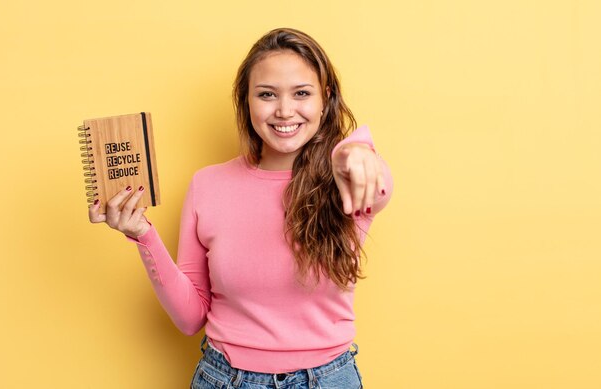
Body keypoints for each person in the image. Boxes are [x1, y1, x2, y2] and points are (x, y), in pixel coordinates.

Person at [89, 27, 393, 389]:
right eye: (266, 94)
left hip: (326, 379)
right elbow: (190, 318)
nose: (284, 111)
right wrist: (141, 234)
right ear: (246, 101)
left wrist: (357, 148)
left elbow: (373, 179)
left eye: (301, 93)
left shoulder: (348, 177)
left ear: (325, 100)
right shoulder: (207, 184)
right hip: (224, 378)